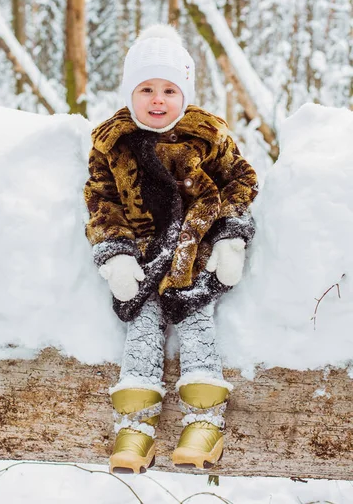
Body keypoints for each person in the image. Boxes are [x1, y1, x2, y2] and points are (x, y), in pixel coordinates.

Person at [84, 24, 258, 474]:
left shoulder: (207, 136)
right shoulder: (112, 143)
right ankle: (134, 427)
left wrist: (231, 238)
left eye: (168, 89)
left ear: (185, 94)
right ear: (129, 93)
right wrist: (116, 254)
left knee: (197, 325)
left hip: (192, 255)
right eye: (146, 89)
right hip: (142, 261)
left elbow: (242, 181)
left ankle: (204, 422)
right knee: (141, 333)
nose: (157, 100)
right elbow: (102, 201)